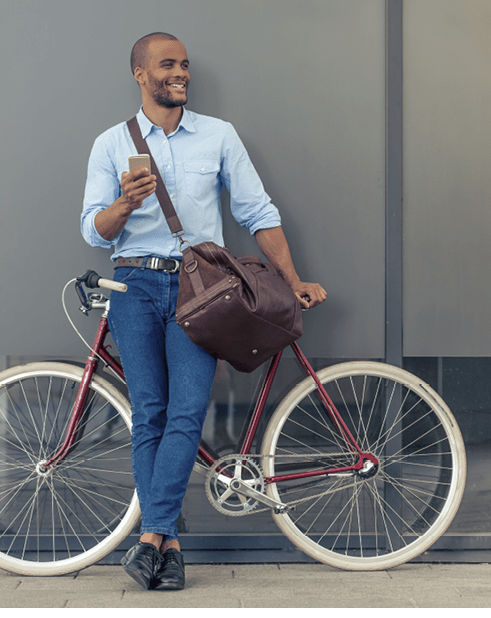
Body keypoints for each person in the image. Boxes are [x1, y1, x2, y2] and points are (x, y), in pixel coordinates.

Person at [81, 32, 327, 591]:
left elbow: (256, 211)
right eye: (168, 64)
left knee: (186, 414)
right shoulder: (109, 144)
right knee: (150, 413)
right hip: (135, 286)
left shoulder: (218, 136)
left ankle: (152, 539)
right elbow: (92, 230)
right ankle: (166, 550)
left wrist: (293, 281)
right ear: (140, 74)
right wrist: (125, 203)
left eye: (185, 65)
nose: (181, 73)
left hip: (203, 290)